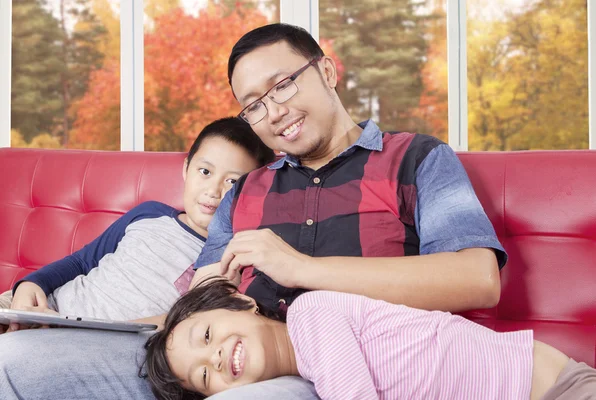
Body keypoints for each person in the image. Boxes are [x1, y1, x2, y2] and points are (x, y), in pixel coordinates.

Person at [0, 23, 506, 400]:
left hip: (338, 369)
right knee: (15, 361)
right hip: (220, 363)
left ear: (326, 71)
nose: (274, 111)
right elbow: (202, 299)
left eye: (282, 85)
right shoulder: (244, 192)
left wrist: (303, 269)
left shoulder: (417, 158)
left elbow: (477, 278)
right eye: (253, 105)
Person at [0, 117, 274, 333]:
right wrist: (30, 284)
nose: (214, 191)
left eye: (232, 182)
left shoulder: (228, 261)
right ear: (186, 169)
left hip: (83, 335)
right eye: (205, 172)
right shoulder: (150, 214)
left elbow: (180, 325)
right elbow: (80, 263)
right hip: (39, 303)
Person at [145, 277, 596, 400]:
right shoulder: (311, 378)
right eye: (204, 376)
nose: (217, 358)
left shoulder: (310, 314)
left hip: (551, 388)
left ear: (241, 302)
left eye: (207, 334)